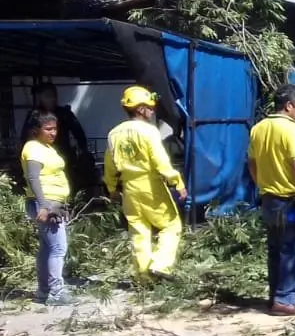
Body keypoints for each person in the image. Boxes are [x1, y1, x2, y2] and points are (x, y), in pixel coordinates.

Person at [249, 86, 295, 316]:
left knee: (275, 248)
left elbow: (251, 163)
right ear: (289, 106)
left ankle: (275, 295)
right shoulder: (291, 130)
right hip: (289, 201)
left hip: (269, 198)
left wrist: (261, 184)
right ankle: (285, 300)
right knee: (292, 250)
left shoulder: (258, 128)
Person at [104, 87, 188, 282]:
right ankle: (160, 265)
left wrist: (111, 188)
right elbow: (160, 160)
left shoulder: (113, 133)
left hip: (129, 189)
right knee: (171, 225)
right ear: (140, 109)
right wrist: (176, 182)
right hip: (150, 185)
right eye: (149, 106)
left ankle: (143, 277)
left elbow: (110, 164)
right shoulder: (149, 131)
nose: (152, 110)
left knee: (139, 231)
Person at [21, 112, 72, 306]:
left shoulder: (47, 148)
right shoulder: (33, 148)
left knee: (47, 248)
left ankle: (43, 291)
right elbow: (33, 178)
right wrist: (44, 205)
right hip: (45, 203)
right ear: (36, 130)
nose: (53, 133)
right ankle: (56, 293)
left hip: (53, 202)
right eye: (48, 129)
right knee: (58, 248)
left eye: (55, 128)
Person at [23, 82, 99, 197]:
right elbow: (25, 136)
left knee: (68, 183)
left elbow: (79, 133)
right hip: (42, 156)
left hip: (64, 154)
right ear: (40, 98)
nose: (52, 100)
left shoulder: (64, 113)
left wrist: (83, 150)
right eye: (47, 96)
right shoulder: (35, 115)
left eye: (54, 96)